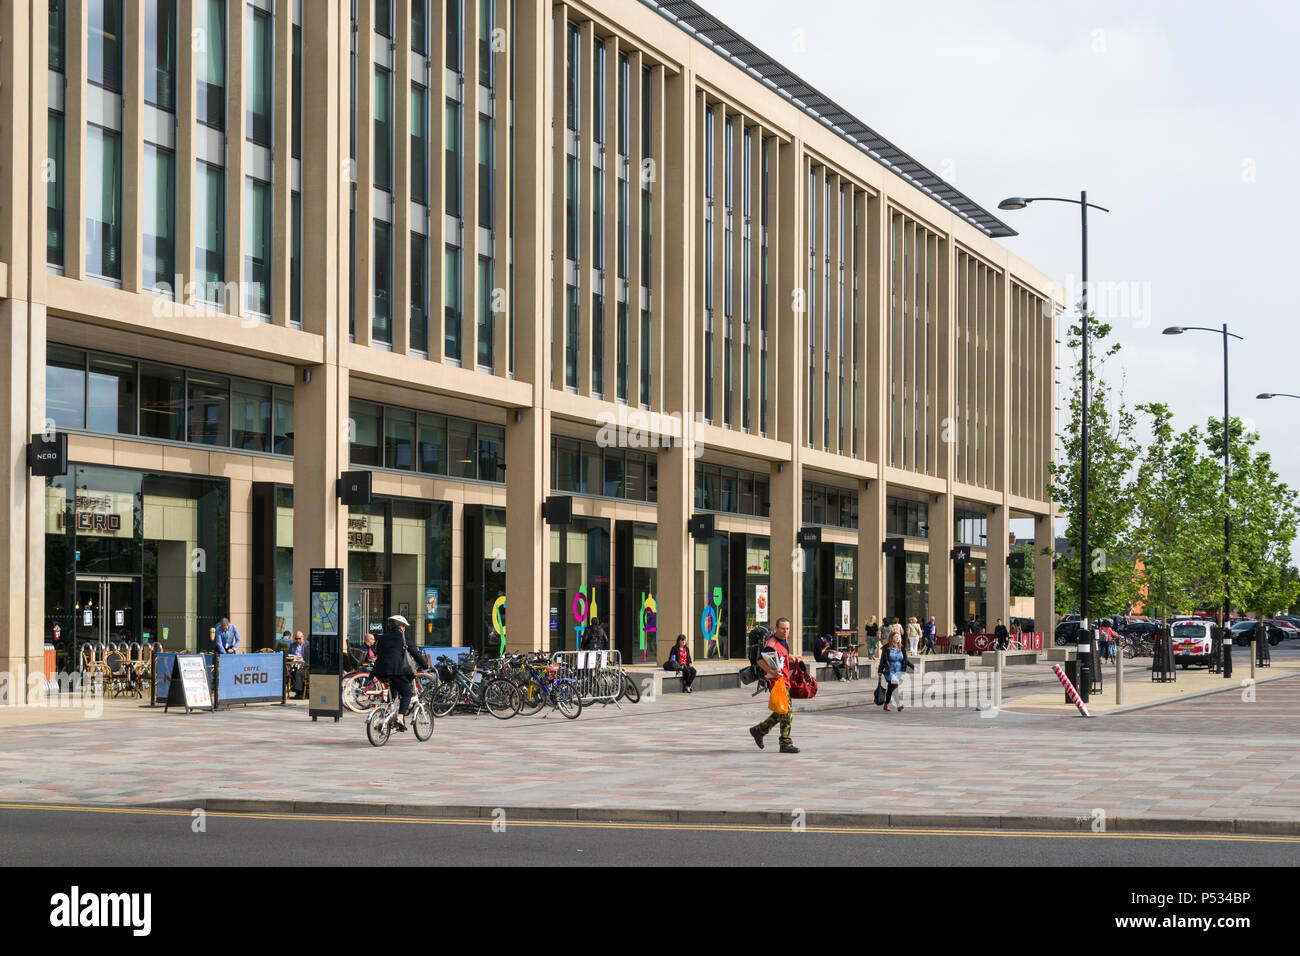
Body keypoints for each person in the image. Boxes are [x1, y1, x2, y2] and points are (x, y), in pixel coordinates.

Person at [748, 617, 801, 753]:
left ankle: (758, 731)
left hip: (785, 680)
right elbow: (760, 660)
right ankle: (785, 743)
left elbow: (781, 656)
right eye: (782, 628)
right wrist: (772, 671)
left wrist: (792, 657)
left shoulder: (783, 641)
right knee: (787, 713)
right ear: (777, 628)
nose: (785, 631)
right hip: (776, 682)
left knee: (780, 712)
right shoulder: (771, 644)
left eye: (787, 628)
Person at [372, 615, 424, 732]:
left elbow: (380, 654)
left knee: (393, 692)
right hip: (395, 671)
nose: (404, 629)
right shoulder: (403, 637)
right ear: (400, 627)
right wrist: (425, 665)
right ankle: (400, 718)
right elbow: (415, 653)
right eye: (404, 626)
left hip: (381, 672)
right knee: (407, 694)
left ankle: (384, 715)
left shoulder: (382, 638)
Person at [878, 629, 915, 712]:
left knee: (891, 688)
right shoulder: (887, 648)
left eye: (898, 637)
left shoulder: (901, 647)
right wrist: (880, 670)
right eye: (895, 636)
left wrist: (913, 666)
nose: (897, 638)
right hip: (889, 670)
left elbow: (906, 660)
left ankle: (886, 704)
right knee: (894, 686)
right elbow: (883, 660)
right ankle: (898, 705)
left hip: (898, 671)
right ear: (891, 638)